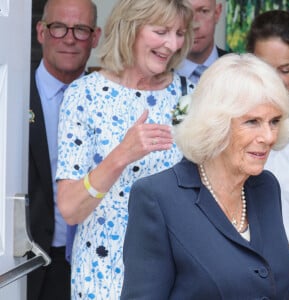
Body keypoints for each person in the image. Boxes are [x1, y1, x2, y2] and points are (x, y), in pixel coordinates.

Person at [121, 53, 289, 299]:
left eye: (274, 121)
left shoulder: (266, 187)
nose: (268, 136)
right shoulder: (158, 198)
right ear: (216, 124)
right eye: (253, 122)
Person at [55, 0, 194, 298]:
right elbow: (69, 208)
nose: (172, 44)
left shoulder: (186, 98)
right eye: (161, 31)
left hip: (172, 277)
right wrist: (122, 154)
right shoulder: (85, 95)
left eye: (180, 33)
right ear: (131, 28)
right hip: (100, 278)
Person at [28, 0, 101, 299]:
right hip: (27, 261)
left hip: (94, 261)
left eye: (81, 30)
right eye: (58, 28)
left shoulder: (108, 100)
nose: (69, 38)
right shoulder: (11, 94)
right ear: (41, 32)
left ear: (95, 37)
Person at [246, 10, 289, 274]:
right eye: (264, 69)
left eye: (286, 70)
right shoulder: (233, 112)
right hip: (255, 251)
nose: (274, 81)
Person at [176, 0, 228, 83]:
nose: (194, 25)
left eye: (203, 11)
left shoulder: (241, 71)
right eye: (185, 11)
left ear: (217, 13)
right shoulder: (156, 74)